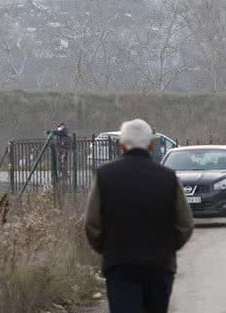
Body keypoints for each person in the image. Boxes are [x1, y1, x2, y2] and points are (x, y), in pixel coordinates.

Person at [84, 119, 194, 313]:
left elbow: (92, 224)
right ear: (151, 145)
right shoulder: (168, 178)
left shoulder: (104, 176)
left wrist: (108, 248)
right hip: (160, 264)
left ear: (121, 145)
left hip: (120, 263)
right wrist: (167, 247)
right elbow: (185, 224)